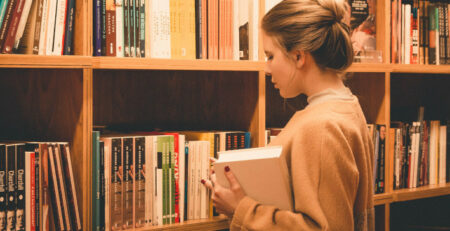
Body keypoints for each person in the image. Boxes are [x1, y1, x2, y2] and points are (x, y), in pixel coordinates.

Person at [202, 0, 375, 230]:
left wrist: (241, 208)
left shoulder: (321, 126)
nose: (266, 68)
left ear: (298, 57)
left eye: (270, 56)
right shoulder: (346, 105)